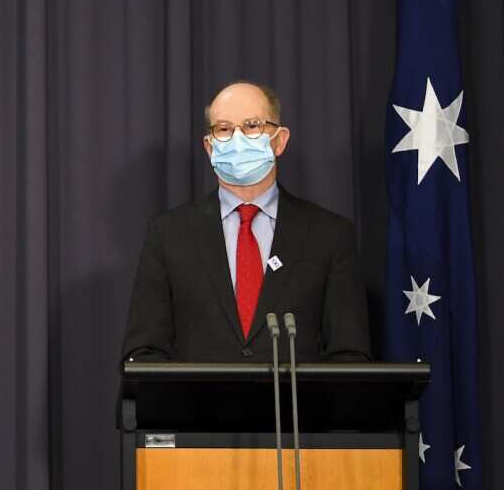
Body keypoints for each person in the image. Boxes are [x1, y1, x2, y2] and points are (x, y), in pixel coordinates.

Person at [120, 81, 371, 363]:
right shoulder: (169, 235)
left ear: (280, 140)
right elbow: (144, 353)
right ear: (209, 146)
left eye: (252, 125)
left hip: (295, 407)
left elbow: (349, 355)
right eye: (224, 129)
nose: (238, 139)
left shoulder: (329, 236)